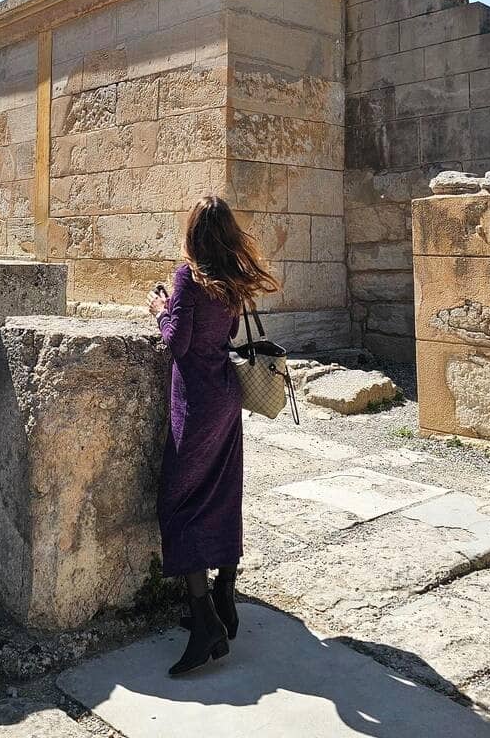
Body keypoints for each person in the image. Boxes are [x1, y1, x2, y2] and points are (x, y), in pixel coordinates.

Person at [147, 194, 279, 676]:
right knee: (223, 492)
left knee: (178, 502)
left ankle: (204, 622)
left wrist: (160, 309)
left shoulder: (188, 277)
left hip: (196, 402)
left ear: (192, 233)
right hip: (226, 396)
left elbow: (176, 341)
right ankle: (225, 592)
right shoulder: (233, 280)